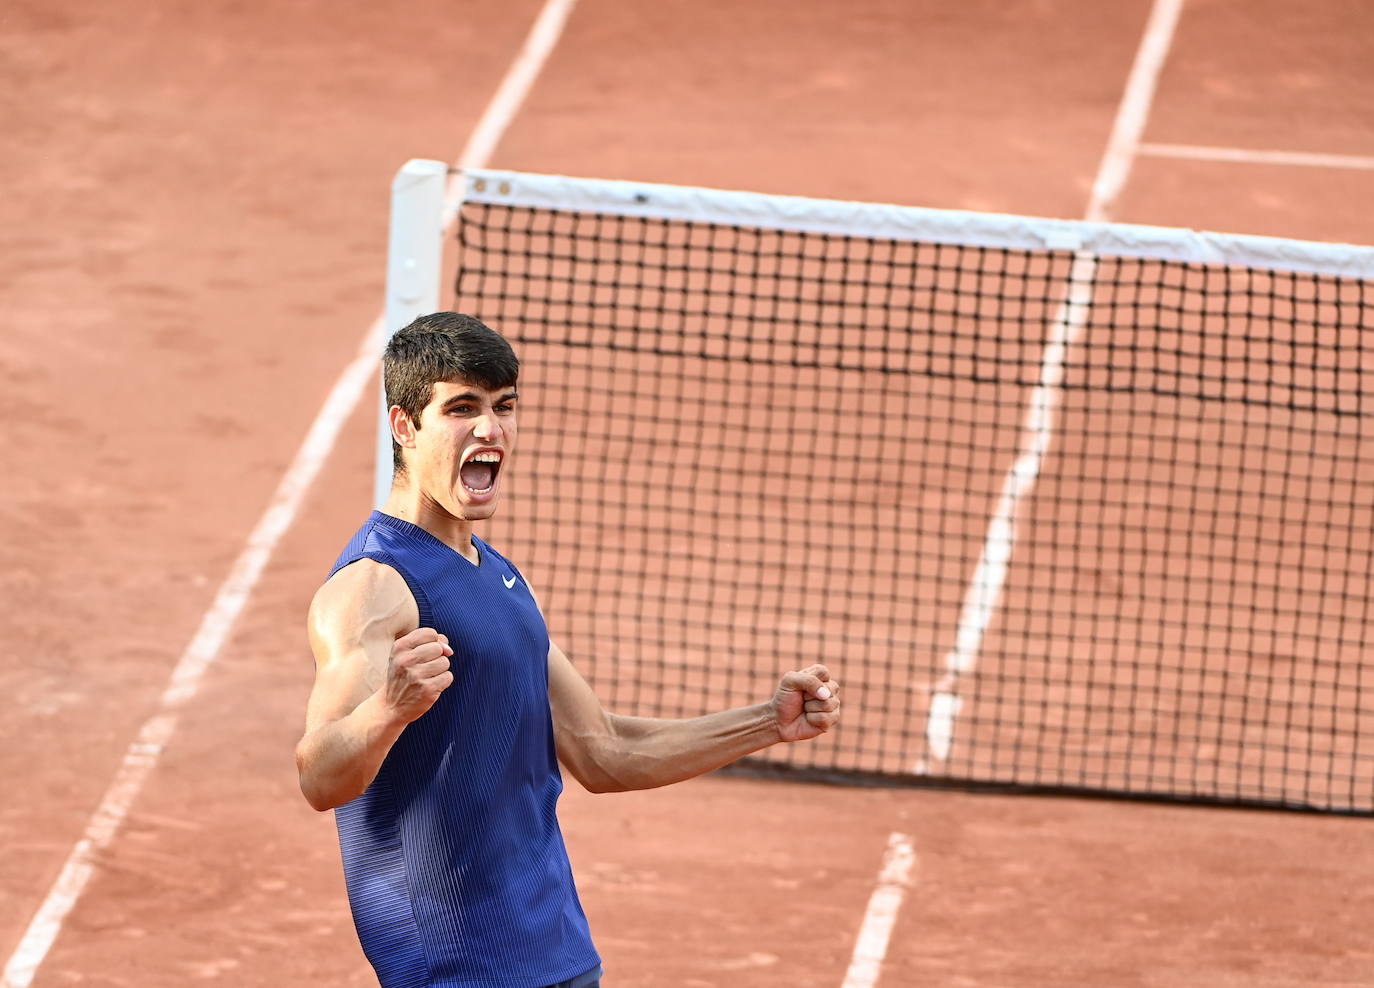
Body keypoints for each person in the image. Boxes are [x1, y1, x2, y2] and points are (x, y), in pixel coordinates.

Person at [295, 311, 842, 988]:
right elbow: (319, 776)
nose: (490, 430)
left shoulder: (496, 573)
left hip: (556, 952)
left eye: (504, 407)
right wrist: (388, 709)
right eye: (462, 409)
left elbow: (606, 751)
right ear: (405, 426)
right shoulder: (374, 588)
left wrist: (766, 722)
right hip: (460, 970)